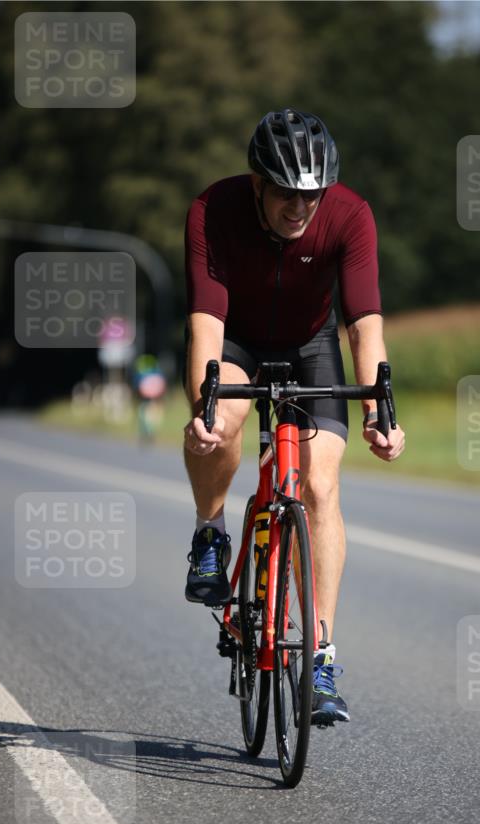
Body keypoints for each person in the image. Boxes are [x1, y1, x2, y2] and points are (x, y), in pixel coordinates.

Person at [182, 108, 405, 726]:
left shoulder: (350, 214)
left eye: (312, 193)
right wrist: (206, 405)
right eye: (286, 193)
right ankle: (209, 532)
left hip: (310, 349)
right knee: (220, 422)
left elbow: (364, 321)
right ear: (257, 182)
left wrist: (379, 411)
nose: (301, 207)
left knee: (320, 485)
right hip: (235, 342)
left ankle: (323, 659)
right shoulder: (213, 210)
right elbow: (205, 316)